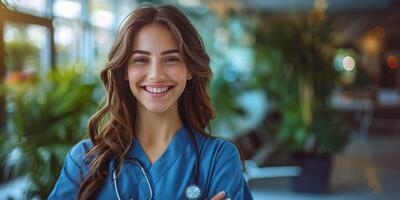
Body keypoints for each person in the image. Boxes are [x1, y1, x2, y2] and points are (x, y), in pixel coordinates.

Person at [48, 4, 253, 200]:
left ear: (189, 69)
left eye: (171, 59)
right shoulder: (84, 159)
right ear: (125, 71)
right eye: (141, 60)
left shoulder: (218, 158)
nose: (156, 75)